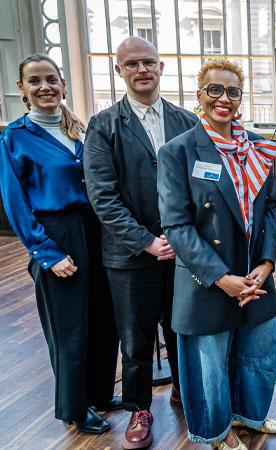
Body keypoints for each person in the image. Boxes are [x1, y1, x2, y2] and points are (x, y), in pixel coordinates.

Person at [157, 59, 276, 450]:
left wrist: (265, 264)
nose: (223, 99)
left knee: (257, 353)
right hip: (206, 278)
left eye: (232, 91)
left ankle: (249, 416)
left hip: (254, 274)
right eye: (214, 90)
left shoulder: (259, 149)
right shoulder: (178, 151)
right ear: (200, 94)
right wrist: (221, 278)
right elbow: (177, 226)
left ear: (241, 98)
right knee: (208, 366)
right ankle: (217, 432)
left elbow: (270, 209)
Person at [83, 36, 197, 450]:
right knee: (135, 339)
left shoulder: (187, 121)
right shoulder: (103, 125)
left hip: (183, 254)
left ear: (161, 67)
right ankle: (139, 409)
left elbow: (199, 185)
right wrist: (147, 241)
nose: (141, 70)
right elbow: (103, 198)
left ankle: (188, 395)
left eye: (148, 62)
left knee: (182, 327)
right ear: (119, 71)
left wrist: (185, 239)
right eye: (132, 64)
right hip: (129, 257)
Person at [0, 54, 120, 434]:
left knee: (104, 319)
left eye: (51, 79)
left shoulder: (77, 130)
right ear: (22, 89)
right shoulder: (14, 137)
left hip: (93, 229)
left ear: (63, 85)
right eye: (35, 81)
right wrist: (46, 253)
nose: (45, 87)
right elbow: (14, 202)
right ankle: (73, 406)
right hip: (55, 233)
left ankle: (101, 393)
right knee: (68, 327)